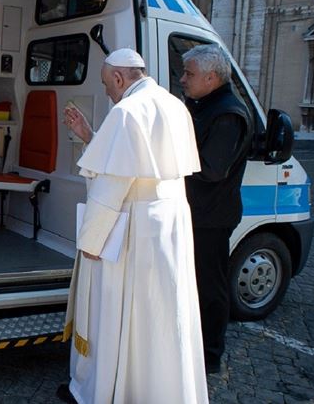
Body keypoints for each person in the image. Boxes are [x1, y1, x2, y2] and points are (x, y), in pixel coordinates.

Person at [58, 48, 208, 404]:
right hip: (169, 224)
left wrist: (91, 241)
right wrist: (90, 136)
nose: (108, 92)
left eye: (107, 85)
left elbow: (110, 188)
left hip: (132, 228)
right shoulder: (173, 104)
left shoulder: (125, 111)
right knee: (158, 313)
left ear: (119, 78)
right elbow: (135, 164)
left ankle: (108, 391)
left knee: (117, 313)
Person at [180, 44, 252, 375]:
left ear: (211, 77)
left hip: (210, 218)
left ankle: (209, 356)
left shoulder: (228, 113)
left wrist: (171, 156)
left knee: (210, 287)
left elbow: (212, 168)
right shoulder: (203, 104)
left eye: (189, 74)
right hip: (194, 213)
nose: (183, 79)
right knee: (191, 284)